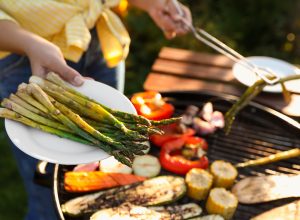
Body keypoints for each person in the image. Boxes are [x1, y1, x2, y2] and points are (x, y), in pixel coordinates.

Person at [0, 0, 192, 219]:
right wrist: (29, 43)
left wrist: (152, 3)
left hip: (97, 35)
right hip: (20, 51)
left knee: (101, 160)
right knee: (46, 190)